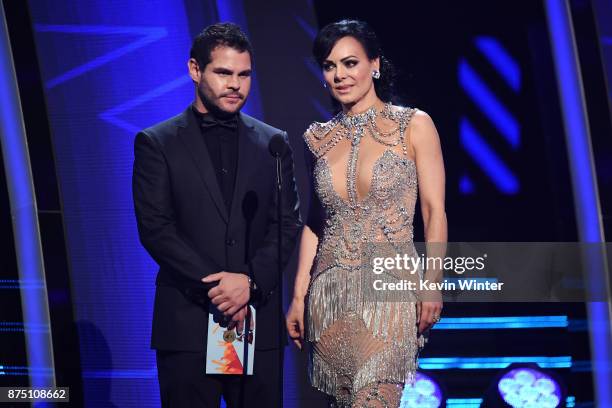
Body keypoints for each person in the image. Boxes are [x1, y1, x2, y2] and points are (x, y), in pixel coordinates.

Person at [133, 22, 302, 407]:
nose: (235, 85)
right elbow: (156, 228)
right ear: (195, 70)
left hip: (256, 321)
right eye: (223, 73)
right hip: (189, 321)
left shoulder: (273, 142)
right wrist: (221, 287)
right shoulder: (156, 143)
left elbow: (286, 221)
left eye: (244, 75)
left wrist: (251, 282)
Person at [286, 19, 447, 407]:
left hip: (389, 293)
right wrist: (298, 295)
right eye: (329, 66)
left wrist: (432, 281)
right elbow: (315, 221)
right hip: (329, 297)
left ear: (374, 64)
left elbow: (433, 209)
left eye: (350, 63)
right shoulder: (318, 139)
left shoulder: (414, 125)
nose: (340, 75)